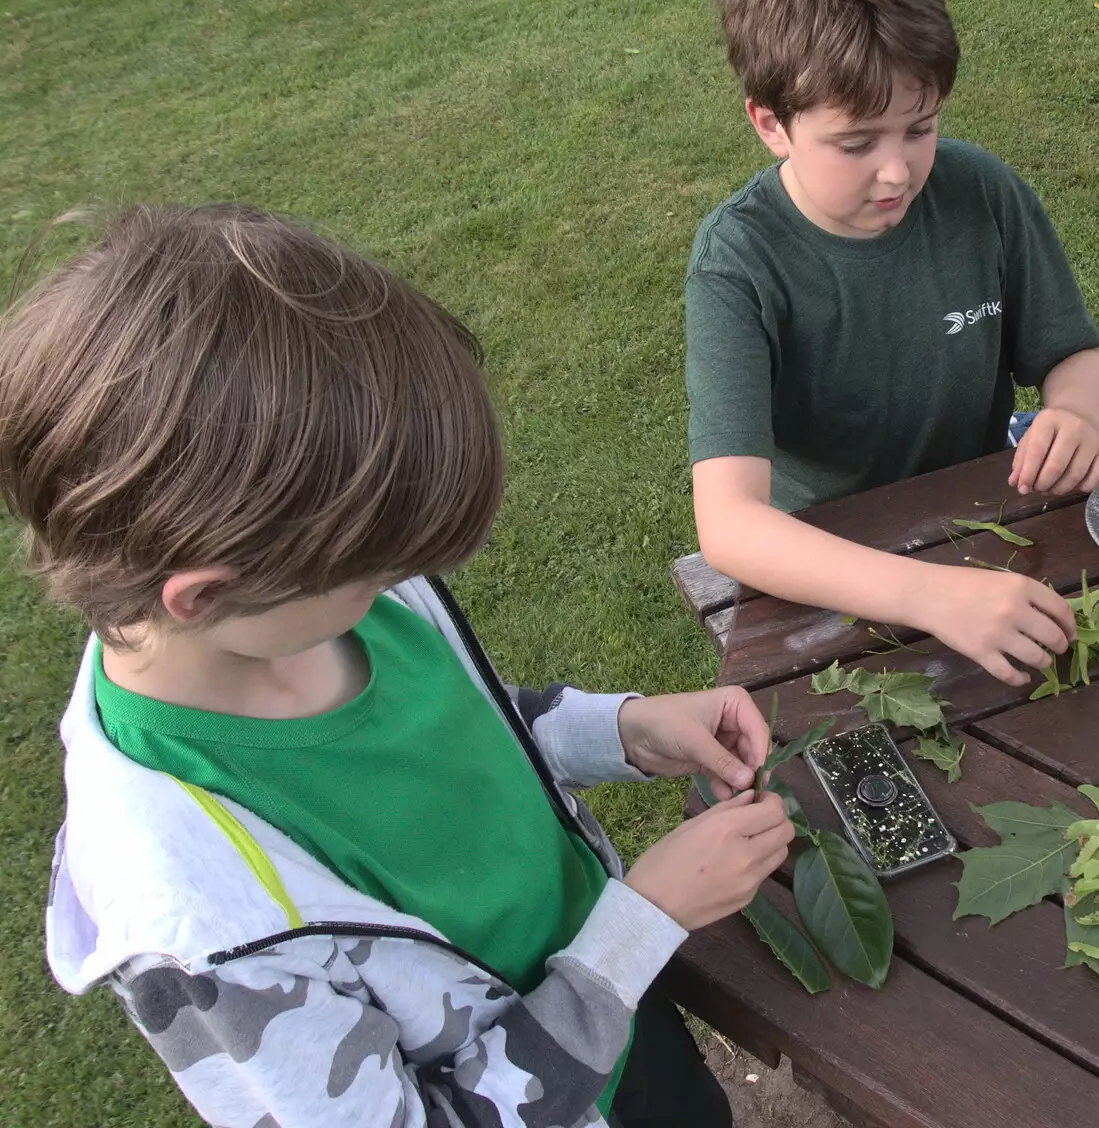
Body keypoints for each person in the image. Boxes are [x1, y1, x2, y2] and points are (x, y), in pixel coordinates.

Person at [0, 204, 794, 1128]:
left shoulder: (313, 606)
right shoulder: (201, 927)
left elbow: (461, 725)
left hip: (619, 1010)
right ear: (206, 596)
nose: (403, 582)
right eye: (374, 569)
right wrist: (640, 926)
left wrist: (619, 729)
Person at [687, 0, 1099, 687]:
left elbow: (1071, 355)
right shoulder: (740, 263)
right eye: (855, 143)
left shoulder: (980, 191)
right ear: (770, 125)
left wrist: (1076, 415)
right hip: (827, 571)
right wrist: (930, 596)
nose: (897, 171)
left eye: (920, 128)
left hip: (991, 521)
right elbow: (730, 524)